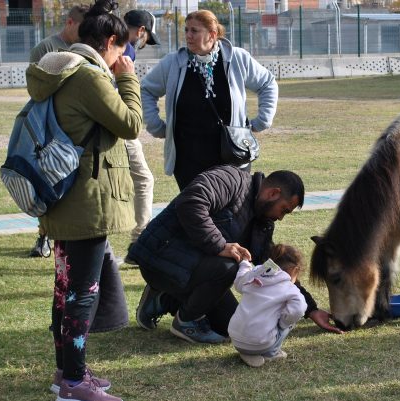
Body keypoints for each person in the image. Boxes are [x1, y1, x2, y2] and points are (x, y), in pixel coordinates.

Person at [26, 0, 141, 401]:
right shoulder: (89, 77)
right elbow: (129, 123)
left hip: (62, 197)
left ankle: (65, 372)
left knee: (65, 289)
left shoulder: (58, 69)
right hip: (86, 199)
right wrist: (128, 80)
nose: (121, 59)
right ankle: (74, 382)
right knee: (83, 293)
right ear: (109, 41)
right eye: (120, 51)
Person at [130, 166, 343, 344]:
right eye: (284, 210)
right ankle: (186, 322)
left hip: (193, 270)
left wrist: (311, 309)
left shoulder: (263, 223)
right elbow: (191, 202)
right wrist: (219, 245)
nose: (281, 218)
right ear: (273, 193)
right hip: (159, 258)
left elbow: (274, 269)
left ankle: (163, 299)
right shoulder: (230, 180)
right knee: (229, 266)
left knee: (231, 325)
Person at [140, 9, 278, 190]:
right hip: (188, 161)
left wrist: (263, 121)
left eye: (194, 31)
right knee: (196, 213)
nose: (188, 36)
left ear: (212, 34)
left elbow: (267, 83)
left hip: (233, 158)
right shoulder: (173, 62)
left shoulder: (237, 58)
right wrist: (156, 126)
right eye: (186, 30)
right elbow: (147, 89)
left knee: (232, 214)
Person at [28, 4, 89, 258]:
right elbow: (37, 90)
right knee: (50, 183)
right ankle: (43, 237)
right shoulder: (47, 48)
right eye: (82, 29)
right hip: (51, 129)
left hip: (77, 129)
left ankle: (73, 235)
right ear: (70, 23)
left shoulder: (86, 48)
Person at [119, 9, 160, 265]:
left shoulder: (106, 40)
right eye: (146, 38)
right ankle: (139, 241)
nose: (144, 44)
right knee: (144, 179)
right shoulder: (127, 50)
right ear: (141, 31)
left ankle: (47, 234)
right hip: (117, 123)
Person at [228, 244, 307, 368]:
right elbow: (299, 309)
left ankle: (247, 352)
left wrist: (245, 263)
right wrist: (282, 324)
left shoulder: (255, 274)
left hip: (236, 338)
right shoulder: (289, 288)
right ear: (295, 270)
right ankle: (271, 353)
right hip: (259, 342)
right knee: (289, 321)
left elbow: (239, 283)